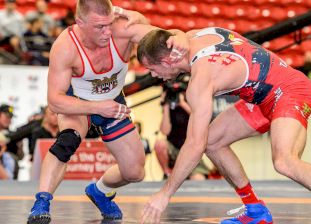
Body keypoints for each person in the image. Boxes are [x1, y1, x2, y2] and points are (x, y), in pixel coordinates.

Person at [136, 27, 311, 224]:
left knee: (284, 161)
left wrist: (164, 194)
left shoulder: (200, 80)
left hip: (289, 89)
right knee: (213, 141)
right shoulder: (191, 37)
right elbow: (168, 35)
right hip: (262, 97)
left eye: (152, 68)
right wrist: (175, 34)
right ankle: (255, 210)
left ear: (169, 59)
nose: (153, 75)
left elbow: (193, 144)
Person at [26, 1, 189, 224]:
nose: (106, 32)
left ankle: (99, 191)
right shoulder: (66, 46)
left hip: (112, 101)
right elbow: (55, 101)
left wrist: (177, 35)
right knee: (67, 141)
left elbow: (160, 39)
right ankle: (42, 203)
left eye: (108, 24)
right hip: (77, 101)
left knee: (134, 172)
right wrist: (97, 107)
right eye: (99, 27)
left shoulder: (121, 28)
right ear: (79, 23)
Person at [154, 85, 209, 180]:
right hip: (174, 150)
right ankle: (167, 173)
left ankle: (189, 174)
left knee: (199, 180)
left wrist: (182, 103)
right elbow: (165, 131)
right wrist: (166, 106)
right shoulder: (169, 109)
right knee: (159, 144)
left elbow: (199, 119)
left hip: (190, 151)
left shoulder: (191, 104)